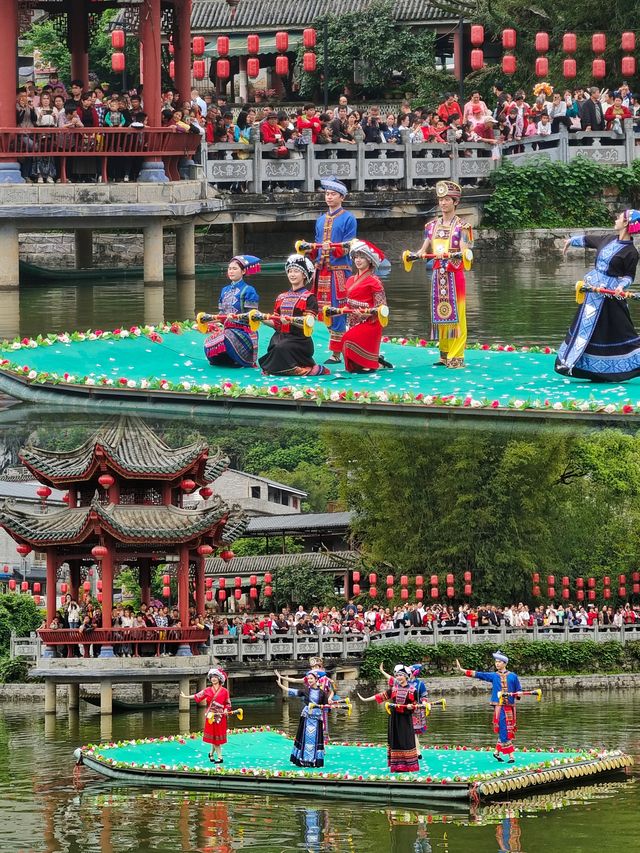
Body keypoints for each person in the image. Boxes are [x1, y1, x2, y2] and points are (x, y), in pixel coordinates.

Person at [555, 210, 640, 380]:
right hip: (592, 293)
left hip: (611, 298)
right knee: (586, 330)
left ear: (626, 224)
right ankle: (580, 366)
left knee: (618, 331)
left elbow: (629, 276)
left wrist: (621, 286)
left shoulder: (631, 252)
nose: (615, 220)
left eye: (619, 218)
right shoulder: (607, 239)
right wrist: (570, 241)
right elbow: (588, 240)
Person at [411, 180, 473, 369]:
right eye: (441, 199)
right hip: (438, 274)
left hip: (454, 274)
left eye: (447, 199)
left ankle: (457, 355)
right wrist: (419, 253)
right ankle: (444, 354)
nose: (443, 203)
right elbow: (424, 246)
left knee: (458, 315)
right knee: (441, 312)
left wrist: (456, 254)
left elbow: (464, 250)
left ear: (455, 202)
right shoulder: (431, 226)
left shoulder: (464, 226)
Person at [307, 177, 358, 363]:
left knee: (338, 309)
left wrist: (331, 248)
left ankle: (337, 352)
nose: (329, 197)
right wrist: (311, 249)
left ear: (342, 197)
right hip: (321, 269)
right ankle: (340, 348)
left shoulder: (349, 218)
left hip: (338, 270)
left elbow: (348, 246)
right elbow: (317, 244)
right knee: (321, 309)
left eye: (333, 194)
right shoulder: (321, 219)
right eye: (327, 194)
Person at [258, 254, 330, 376]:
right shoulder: (281, 297)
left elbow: (309, 324)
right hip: (281, 336)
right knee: (275, 345)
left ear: (304, 275)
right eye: (290, 271)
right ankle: (286, 368)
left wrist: (290, 321)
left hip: (300, 339)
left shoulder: (309, 297)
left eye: (296, 271)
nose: (292, 274)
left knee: (281, 347)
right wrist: (261, 318)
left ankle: (296, 367)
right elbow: (276, 323)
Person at [455, 651, 522, 763]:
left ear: (505, 663)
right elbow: (479, 674)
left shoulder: (513, 676)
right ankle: (511, 756)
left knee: (508, 728)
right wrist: (462, 670)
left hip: (510, 707)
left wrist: (519, 693)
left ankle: (496, 752)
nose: (497, 664)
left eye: (499, 662)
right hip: (499, 707)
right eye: (496, 662)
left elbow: (518, 689)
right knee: (504, 729)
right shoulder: (494, 676)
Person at [358, 664, 422, 772]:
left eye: (401, 675)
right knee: (395, 740)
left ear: (406, 676)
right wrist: (365, 699)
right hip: (394, 719)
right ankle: (397, 765)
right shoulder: (393, 689)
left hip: (405, 720)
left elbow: (415, 705)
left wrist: (412, 707)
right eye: (397, 675)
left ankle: (409, 765)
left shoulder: (413, 690)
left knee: (406, 740)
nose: (398, 677)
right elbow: (380, 696)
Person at [338, 239, 390, 372]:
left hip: (370, 322)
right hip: (353, 321)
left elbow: (382, 308)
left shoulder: (374, 281)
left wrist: (367, 313)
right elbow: (348, 302)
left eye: (362, 257)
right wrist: (343, 309)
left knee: (347, 339)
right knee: (352, 362)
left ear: (369, 260)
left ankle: (373, 363)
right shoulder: (350, 280)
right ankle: (374, 361)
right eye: (356, 257)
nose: (358, 260)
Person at [203, 254, 261, 367]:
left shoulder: (249, 290)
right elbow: (221, 315)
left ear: (243, 271)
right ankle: (226, 359)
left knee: (227, 336)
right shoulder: (224, 290)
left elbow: (253, 315)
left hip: (245, 331)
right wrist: (207, 320)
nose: (231, 271)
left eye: (235, 269)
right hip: (228, 330)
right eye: (229, 269)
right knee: (209, 342)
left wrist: (236, 317)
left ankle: (240, 359)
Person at [276, 670, 330, 767]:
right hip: (307, 718)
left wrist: (324, 722)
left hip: (317, 719)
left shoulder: (322, 693)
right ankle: (303, 759)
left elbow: (326, 708)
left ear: (316, 680)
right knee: (305, 738)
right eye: (308, 679)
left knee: (316, 739)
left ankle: (314, 760)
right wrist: (281, 685)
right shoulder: (305, 691)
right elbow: (292, 691)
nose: (309, 680)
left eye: (311, 678)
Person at [181, 667, 231, 763]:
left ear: (219, 678)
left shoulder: (225, 691)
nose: (213, 679)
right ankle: (220, 757)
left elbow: (228, 703)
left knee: (216, 737)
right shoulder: (207, 690)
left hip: (220, 717)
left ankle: (211, 754)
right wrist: (185, 697)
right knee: (214, 737)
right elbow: (197, 696)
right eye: (212, 677)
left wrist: (225, 709)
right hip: (210, 717)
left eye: (215, 677)